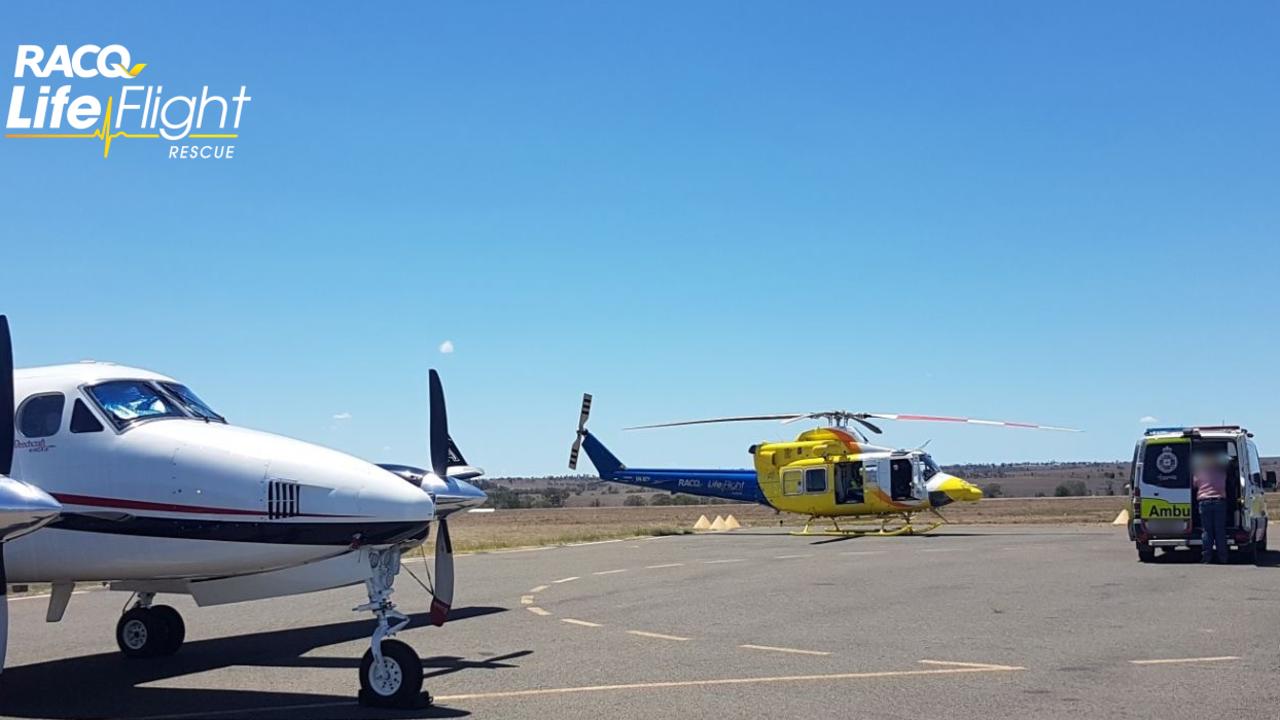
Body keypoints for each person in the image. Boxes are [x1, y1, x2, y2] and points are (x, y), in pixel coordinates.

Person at [1192, 454, 1229, 564]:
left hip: (1204, 502)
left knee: (1207, 531)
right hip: (1219, 502)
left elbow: (1194, 485)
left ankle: (1207, 557)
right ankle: (1223, 557)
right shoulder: (1222, 474)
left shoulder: (1199, 474)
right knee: (1220, 530)